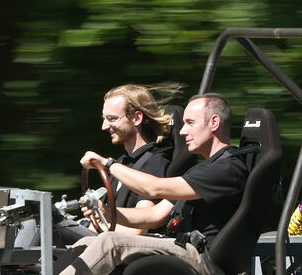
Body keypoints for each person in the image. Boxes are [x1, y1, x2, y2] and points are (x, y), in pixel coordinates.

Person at [1, 93, 251, 275]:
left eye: (190, 123)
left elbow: (153, 189)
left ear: (214, 122)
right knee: (90, 241)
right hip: (183, 246)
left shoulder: (226, 169)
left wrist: (107, 163)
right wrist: (107, 213)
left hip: (203, 260)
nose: (183, 131)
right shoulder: (203, 170)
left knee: (110, 242)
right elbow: (155, 215)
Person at [16, 83, 181, 248]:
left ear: (137, 118)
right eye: (104, 119)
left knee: (38, 221)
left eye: (112, 119)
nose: (104, 126)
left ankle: (9, 268)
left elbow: (139, 231)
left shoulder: (154, 162)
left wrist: (90, 224)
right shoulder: (124, 163)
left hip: (119, 246)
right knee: (23, 218)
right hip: (102, 237)